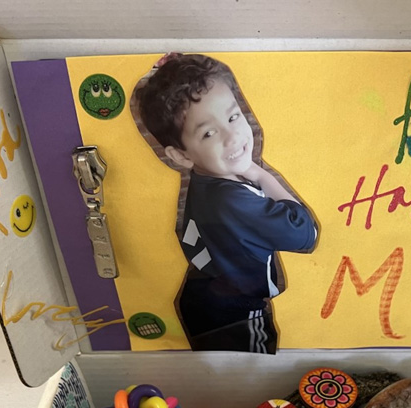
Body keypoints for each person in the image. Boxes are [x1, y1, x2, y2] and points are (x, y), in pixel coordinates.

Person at [136, 53, 319, 353]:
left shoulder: (207, 183)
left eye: (233, 117)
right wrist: (258, 173)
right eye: (209, 133)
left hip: (205, 301)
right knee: (255, 375)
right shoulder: (233, 201)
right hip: (236, 317)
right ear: (181, 155)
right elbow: (305, 234)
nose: (232, 136)